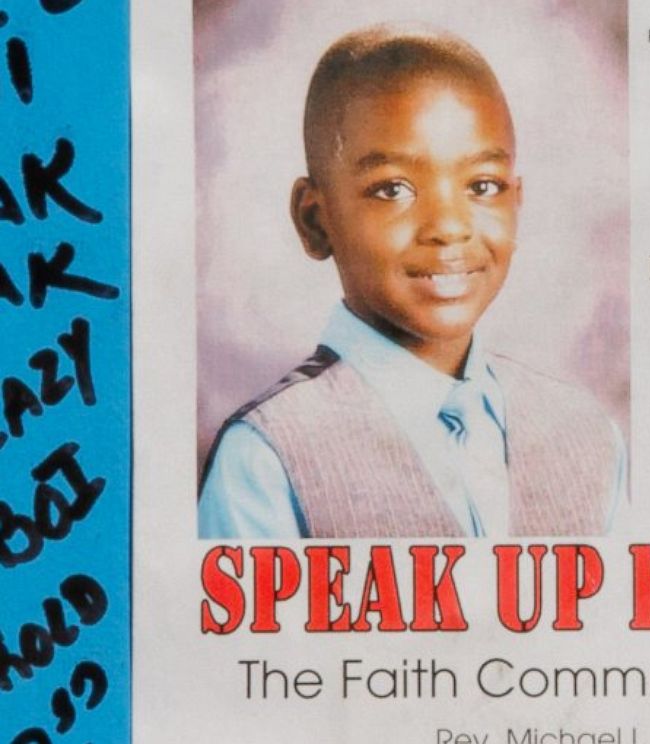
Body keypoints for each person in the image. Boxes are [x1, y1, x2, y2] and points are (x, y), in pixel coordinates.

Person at [198, 24, 625, 538]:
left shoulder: (586, 436)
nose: (448, 225)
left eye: (483, 185)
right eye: (392, 189)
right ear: (314, 220)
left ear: (516, 201)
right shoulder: (266, 457)